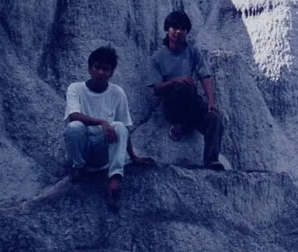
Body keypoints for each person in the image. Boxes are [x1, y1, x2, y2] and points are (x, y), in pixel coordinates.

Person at [64, 45, 149, 201]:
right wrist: (102, 122)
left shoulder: (117, 93)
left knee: (119, 126)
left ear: (111, 73)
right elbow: (73, 116)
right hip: (81, 148)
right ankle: (78, 167)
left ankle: (114, 178)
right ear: (90, 68)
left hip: (102, 151)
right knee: (73, 127)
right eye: (97, 67)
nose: (101, 72)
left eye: (106, 69)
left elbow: (124, 129)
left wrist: (133, 156)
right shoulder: (75, 88)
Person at [149, 10, 224, 171]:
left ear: (187, 32)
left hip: (192, 101)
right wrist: (175, 81)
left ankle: (211, 160)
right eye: (174, 27)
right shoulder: (158, 57)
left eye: (182, 28)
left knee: (215, 117)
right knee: (185, 86)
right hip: (172, 105)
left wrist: (211, 102)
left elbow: (205, 76)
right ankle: (182, 123)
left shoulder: (193, 51)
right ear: (167, 29)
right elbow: (155, 88)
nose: (178, 31)